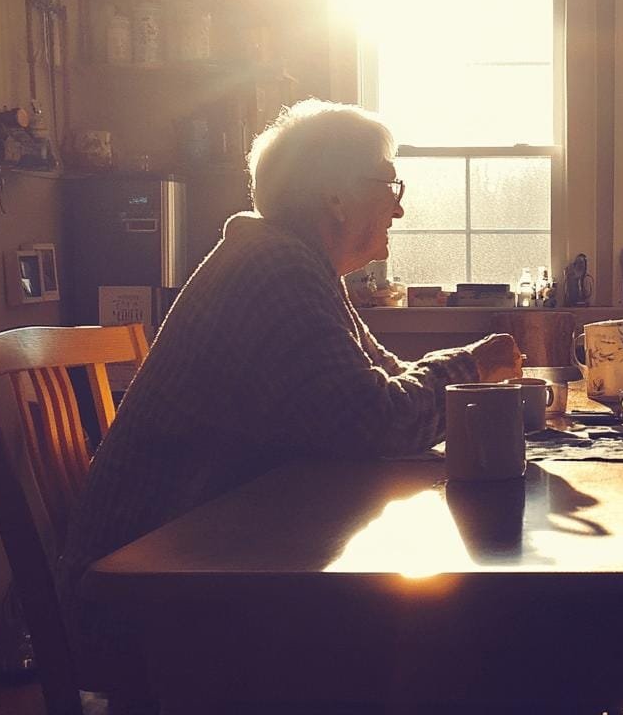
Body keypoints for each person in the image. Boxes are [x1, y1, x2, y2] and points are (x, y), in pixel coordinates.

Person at [57, 100, 522, 675]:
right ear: (335, 197)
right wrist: (470, 368)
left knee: (432, 619)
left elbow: (382, 385)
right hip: (150, 603)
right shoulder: (276, 269)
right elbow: (376, 422)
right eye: (389, 183)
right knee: (459, 635)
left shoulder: (293, 261)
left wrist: (459, 372)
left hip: (205, 565)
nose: (399, 207)